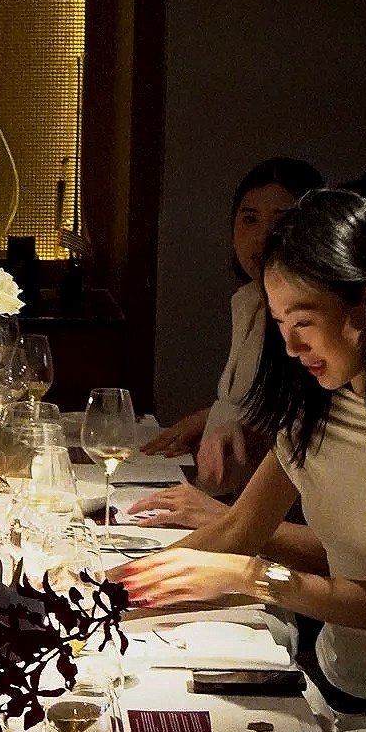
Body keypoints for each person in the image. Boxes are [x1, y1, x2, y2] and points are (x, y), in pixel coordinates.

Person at [115, 183, 366, 732]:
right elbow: (239, 530)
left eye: (303, 322)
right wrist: (94, 599)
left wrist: (255, 578)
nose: (291, 348)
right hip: (333, 683)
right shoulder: (321, 408)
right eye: (279, 325)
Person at [141, 155, 322, 492]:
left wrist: (239, 428)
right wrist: (207, 418)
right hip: (225, 493)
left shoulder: (312, 322)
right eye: (249, 219)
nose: (263, 236)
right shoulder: (249, 301)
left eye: (281, 221)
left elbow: (305, 426)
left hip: (270, 511)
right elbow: (255, 400)